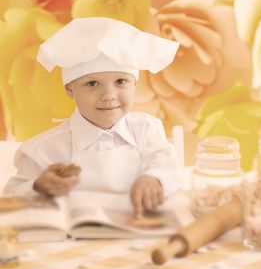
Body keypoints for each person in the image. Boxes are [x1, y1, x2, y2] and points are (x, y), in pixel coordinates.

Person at [3, 17, 183, 218]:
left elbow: (170, 169)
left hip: (137, 235)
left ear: (134, 84)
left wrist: (155, 178)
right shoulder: (43, 149)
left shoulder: (147, 130)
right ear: (70, 89)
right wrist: (37, 186)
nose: (109, 95)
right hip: (71, 243)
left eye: (120, 81)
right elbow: (9, 196)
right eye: (92, 84)